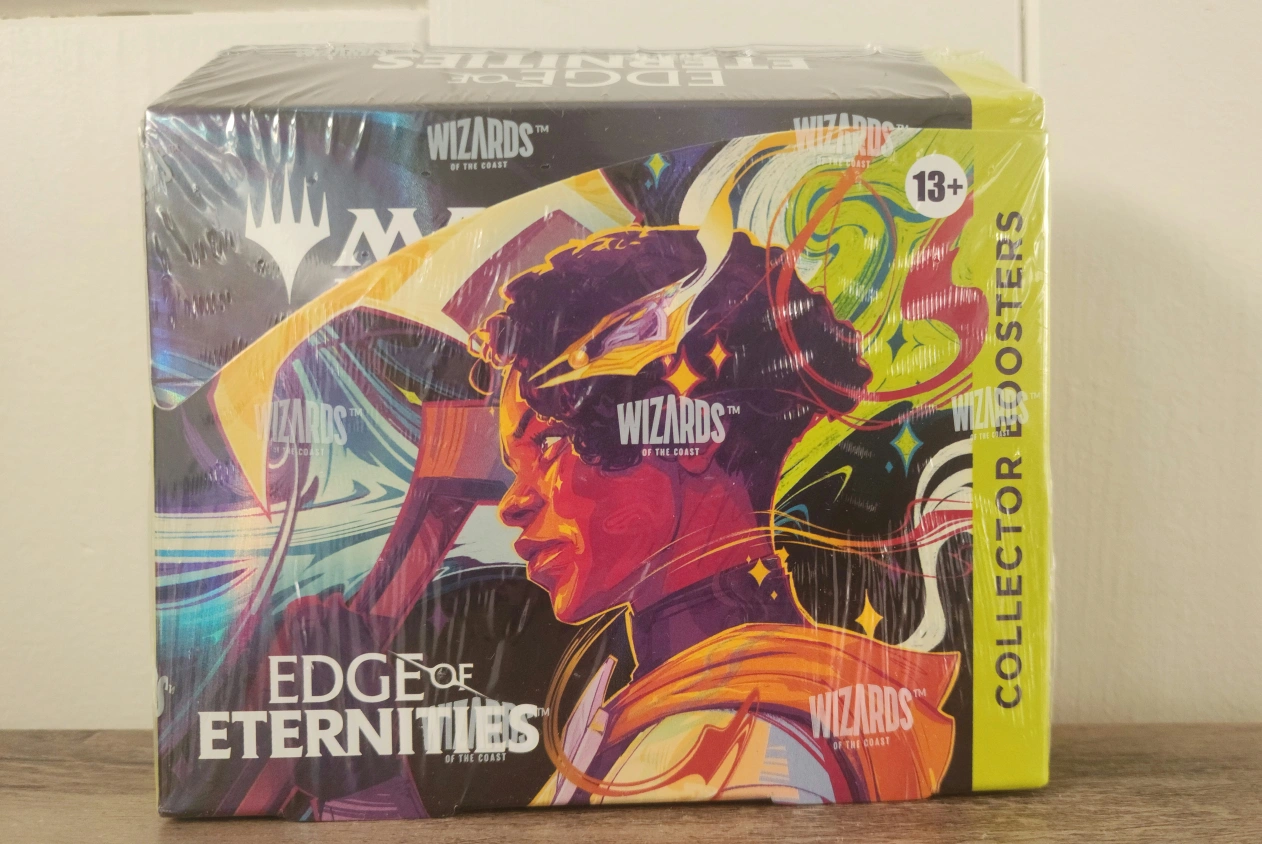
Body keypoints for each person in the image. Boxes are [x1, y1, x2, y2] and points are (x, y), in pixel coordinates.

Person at [474, 226, 959, 806]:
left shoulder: (724, 744)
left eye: (550, 441)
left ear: (696, 431)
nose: (513, 502)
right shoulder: (713, 702)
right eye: (516, 465)